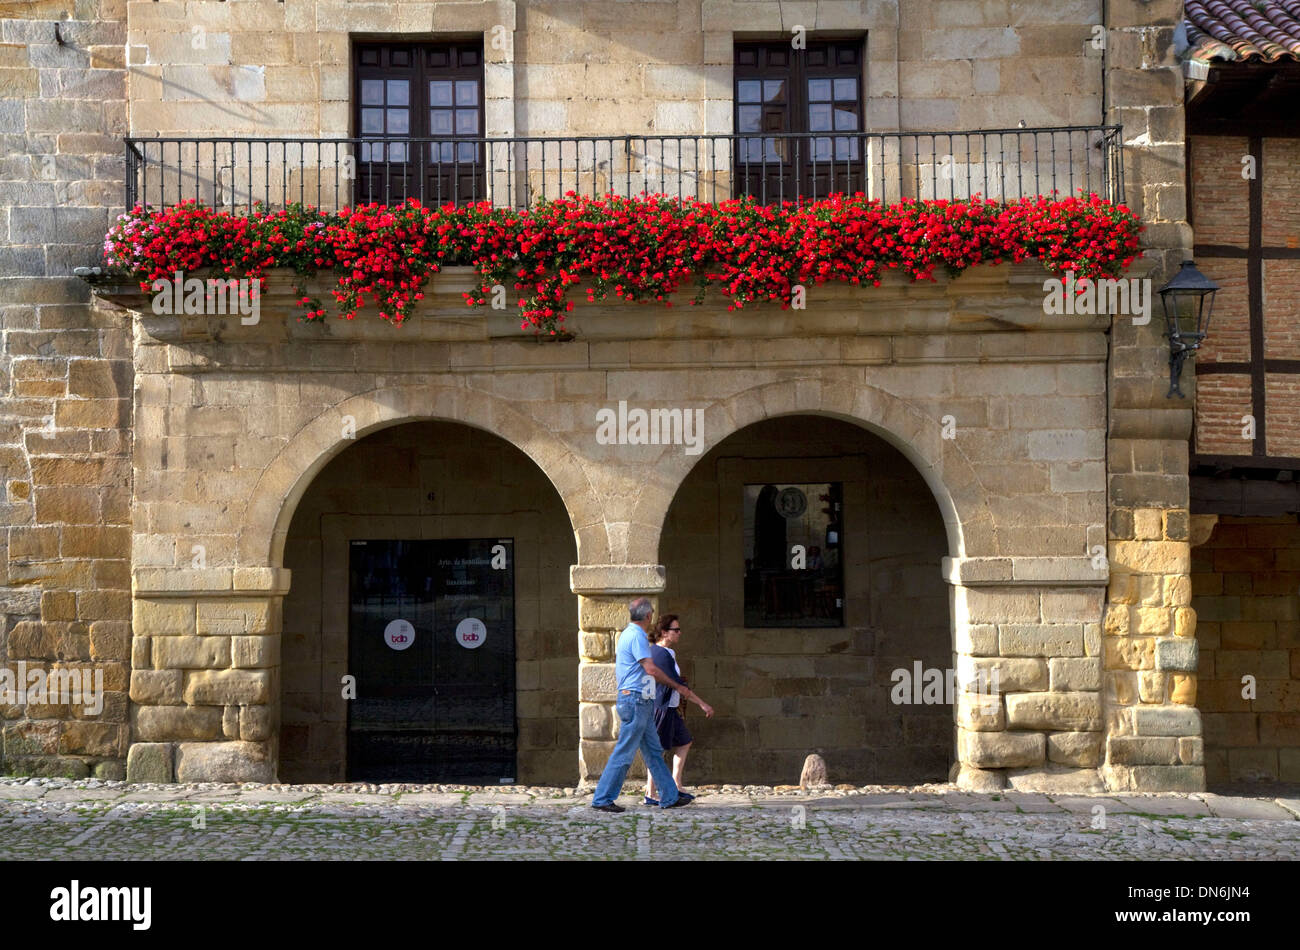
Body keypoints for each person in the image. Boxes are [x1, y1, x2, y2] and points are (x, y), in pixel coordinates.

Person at [590, 597, 713, 813]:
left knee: (654, 751)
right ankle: (602, 798)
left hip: (640, 701)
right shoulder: (637, 636)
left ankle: (669, 796)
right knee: (625, 751)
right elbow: (651, 670)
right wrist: (678, 687)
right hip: (636, 700)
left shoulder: (628, 633)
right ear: (648, 616)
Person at [644, 614, 712, 806]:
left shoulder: (667, 653)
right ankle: (650, 792)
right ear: (664, 632)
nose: (680, 633)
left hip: (670, 707)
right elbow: (678, 686)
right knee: (656, 750)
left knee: (685, 741)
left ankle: (676, 784)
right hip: (661, 708)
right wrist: (702, 703)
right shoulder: (659, 653)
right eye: (676, 630)